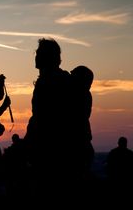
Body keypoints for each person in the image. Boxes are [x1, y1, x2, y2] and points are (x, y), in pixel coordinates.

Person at [24, 38, 75, 202]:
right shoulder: (50, 80)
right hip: (48, 151)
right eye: (36, 53)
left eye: (39, 53)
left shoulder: (54, 81)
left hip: (51, 153)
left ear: (49, 57)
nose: (36, 56)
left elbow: (43, 119)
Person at [105, 136, 133, 207]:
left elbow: (109, 165)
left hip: (116, 180)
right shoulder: (129, 153)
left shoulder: (113, 152)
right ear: (126, 143)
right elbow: (132, 167)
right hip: (126, 181)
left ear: (118, 143)